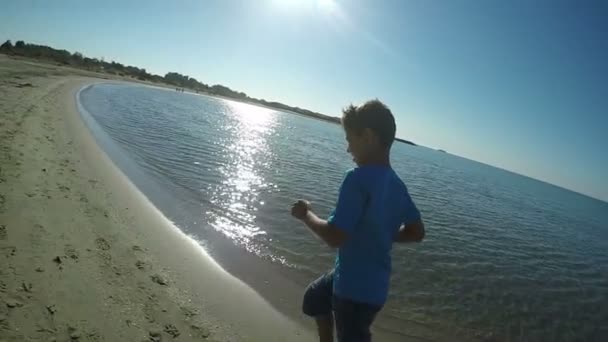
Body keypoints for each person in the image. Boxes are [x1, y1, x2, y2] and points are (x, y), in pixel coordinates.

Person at [291, 99, 425, 342]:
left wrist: (306, 215)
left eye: (349, 140)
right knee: (314, 298)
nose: (348, 149)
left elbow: (335, 236)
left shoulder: (357, 179)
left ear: (368, 137)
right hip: (372, 287)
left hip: (353, 292)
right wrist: (383, 232)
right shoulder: (397, 185)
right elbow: (417, 232)